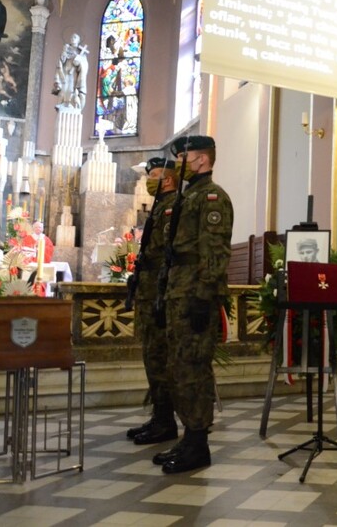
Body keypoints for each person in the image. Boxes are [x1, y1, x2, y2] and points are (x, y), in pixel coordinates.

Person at [152, 135, 233, 474]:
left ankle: (199, 442)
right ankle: (189, 435)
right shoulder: (189, 197)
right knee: (179, 367)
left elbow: (214, 252)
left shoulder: (212, 198)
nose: (180, 162)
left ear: (202, 159)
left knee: (194, 369)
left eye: (184, 156)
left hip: (194, 295)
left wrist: (204, 296)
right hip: (178, 292)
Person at [125, 159, 180, 445]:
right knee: (151, 357)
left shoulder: (171, 208)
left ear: (168, 179)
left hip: (159, 295)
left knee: (159, 358)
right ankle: (160, 417)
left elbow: (168, 255)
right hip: (148, 292)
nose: (150, 180)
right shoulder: (160, 206)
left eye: (155, 175)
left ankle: (166, 422)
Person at [53, 33, 89, 109]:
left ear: (78, 40)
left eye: (75, 37)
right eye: (72, 37)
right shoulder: (66, 48)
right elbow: (60, 62)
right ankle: (61, 104)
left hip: (74, 74)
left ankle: (71, 105)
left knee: (71, 89)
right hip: (65, 72)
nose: (73, 38)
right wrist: (64, 53)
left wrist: (79, 63)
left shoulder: (81, 52)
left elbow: (85, 66)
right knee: (64, 88)